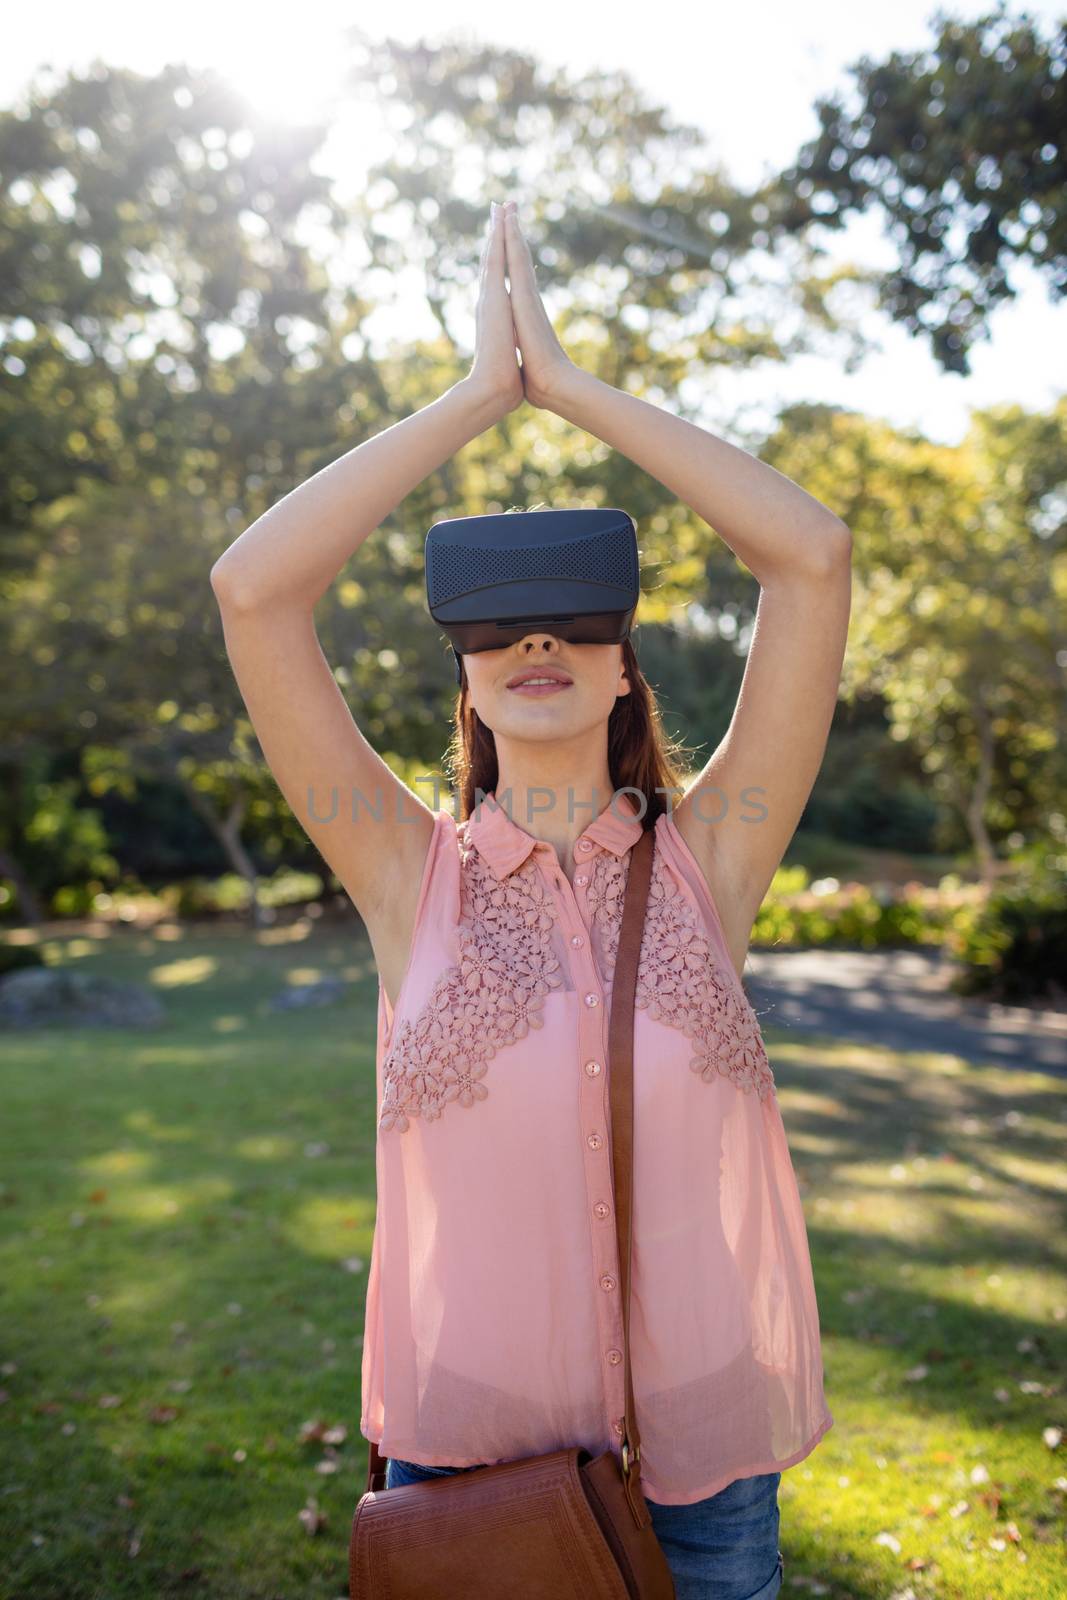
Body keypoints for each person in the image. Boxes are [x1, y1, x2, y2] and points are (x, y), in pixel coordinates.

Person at [210, 198, 851, 1600]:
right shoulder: (401, 874)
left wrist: (568, 387)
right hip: (472, 1472)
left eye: (576, 621)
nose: (538, 641)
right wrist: (472, 397)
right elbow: (255, 592)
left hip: (709, 1472)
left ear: (628, 669)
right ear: (466, 679)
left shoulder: (714, 863)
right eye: (495, 627)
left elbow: (810, 555)